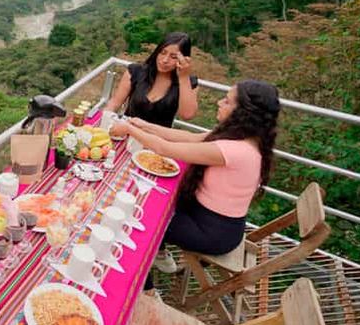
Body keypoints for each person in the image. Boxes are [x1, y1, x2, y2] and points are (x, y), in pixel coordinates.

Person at [110, 80, 281, 293]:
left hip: (212, 232)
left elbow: (165, 148)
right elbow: (190, 138)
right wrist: (144, 125)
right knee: (153, 195)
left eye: (227, 101)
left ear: (243, 112)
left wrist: (128, 128)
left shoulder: (237, 150)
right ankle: (159, 254)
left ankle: (147, 291)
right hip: (204, 214)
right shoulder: (244, 138)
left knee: (135, 219)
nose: (219, 103)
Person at [105, 32, 199, 272]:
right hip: (124, 142)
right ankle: (110, 235)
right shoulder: (136, 71)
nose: (165, 60)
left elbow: (188, 114)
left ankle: (153, 248)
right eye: (163, 52)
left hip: (158, 150)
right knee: (111, 189)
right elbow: (114, 104)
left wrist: (185, 76)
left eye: (173, 56)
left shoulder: (186, 82)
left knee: (151, 201)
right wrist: (102, 126)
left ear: (183, 60)